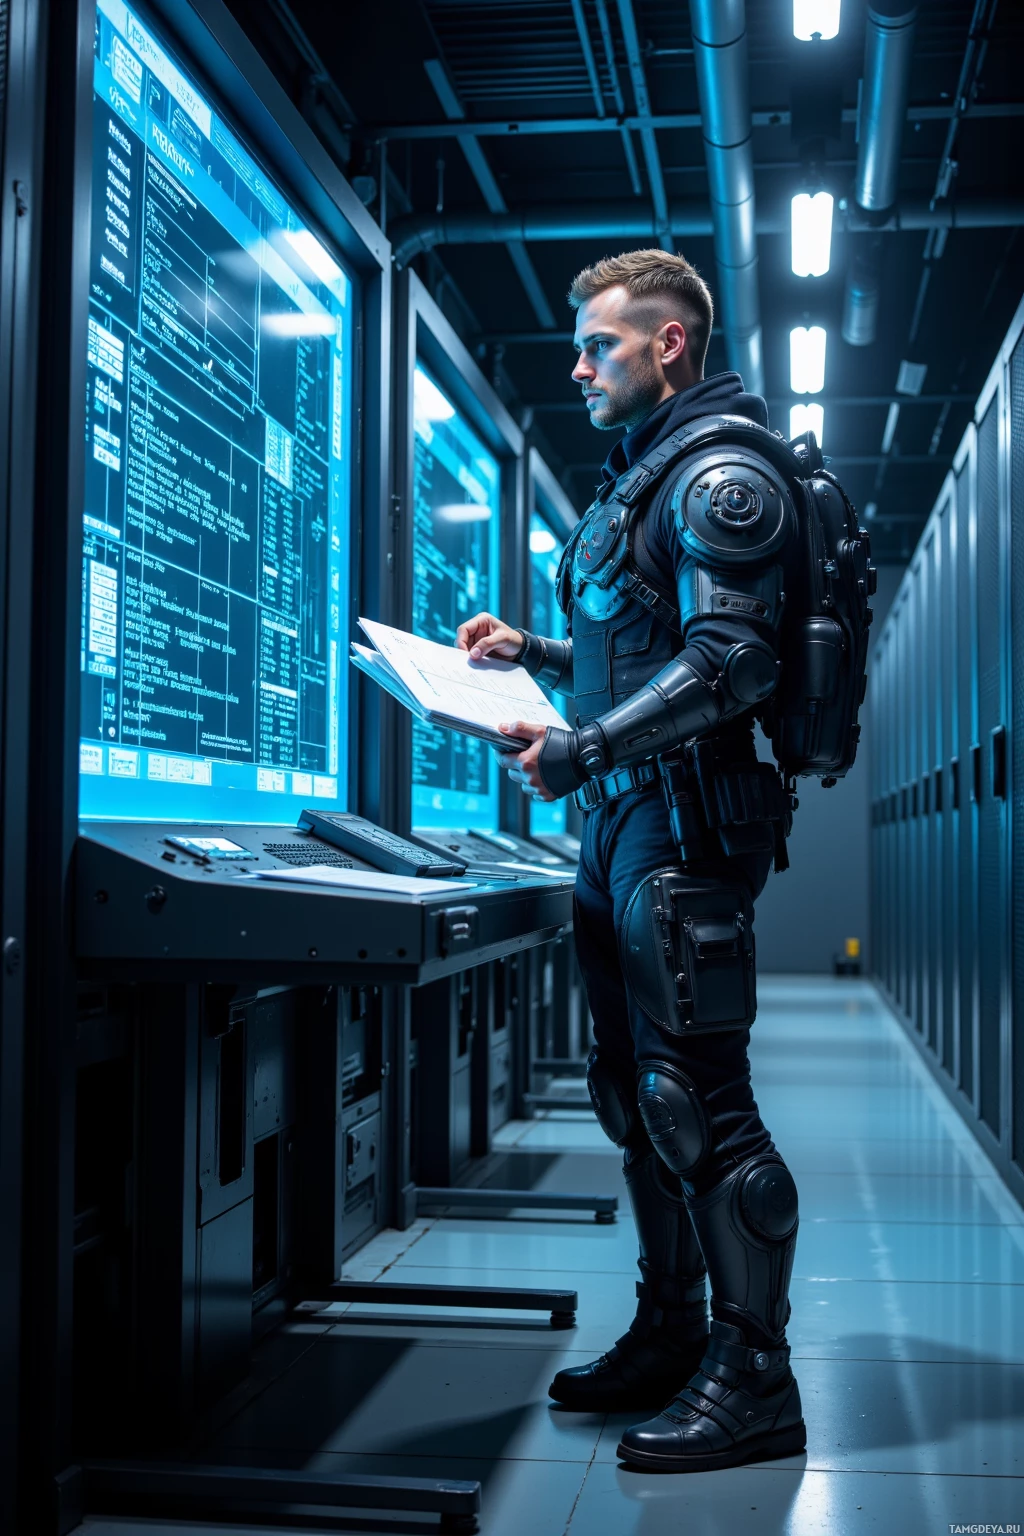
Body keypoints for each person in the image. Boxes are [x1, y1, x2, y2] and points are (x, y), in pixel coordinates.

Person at [456, 249, 809, 1474]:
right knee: (631, 1095)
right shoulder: (643, 480)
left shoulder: (720, 472)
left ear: (667, 345)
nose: (577, 363)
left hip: (681, 826)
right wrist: (539, 654)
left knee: (695, 1101)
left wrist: (582, 743)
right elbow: (644, 636)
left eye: (598, 343)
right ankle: (670, 1331)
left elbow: (731, 665)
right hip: (618, 818)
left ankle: (755, 1375)